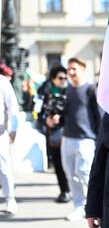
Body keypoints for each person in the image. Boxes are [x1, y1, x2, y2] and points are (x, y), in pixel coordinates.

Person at [47, 57, 101, 221]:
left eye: (73, 69)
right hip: (67, 139)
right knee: (70, 174)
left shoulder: (91, 90)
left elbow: (99, 116)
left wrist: (100, 141)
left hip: (86, 139)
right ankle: (79, 207)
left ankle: (94, 206)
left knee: (83, 173)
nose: (70, 72)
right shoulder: (66, 91)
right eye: (68, 69)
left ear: (82, 69)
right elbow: (60, 115)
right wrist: (52, 120)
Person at [38, 66, 71, 203]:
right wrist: (46, 120)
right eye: (60, 78)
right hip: (53, 134)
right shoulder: (43, 92)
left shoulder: (70, 91)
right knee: (58, 163)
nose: (63, 80)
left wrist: (61, 118)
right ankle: (64, 190)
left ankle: (76, 190)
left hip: (69, 132)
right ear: (53, 79)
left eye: (65, 77)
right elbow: (37, 111)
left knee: (71, 165)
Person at [0, 68, 20, 214]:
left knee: (3, 167)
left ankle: (10, 198)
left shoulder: (3, 82)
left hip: (0, 133)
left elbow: (12, 108)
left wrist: (13, 129)